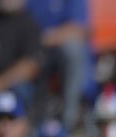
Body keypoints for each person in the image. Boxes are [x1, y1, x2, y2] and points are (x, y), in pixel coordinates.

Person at [26, 0, 89, 130]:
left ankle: (69, 122)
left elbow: (78, 30)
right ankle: (29, 131)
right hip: (36, 55)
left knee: (73, 50)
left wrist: (43, 38)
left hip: (60, 57)